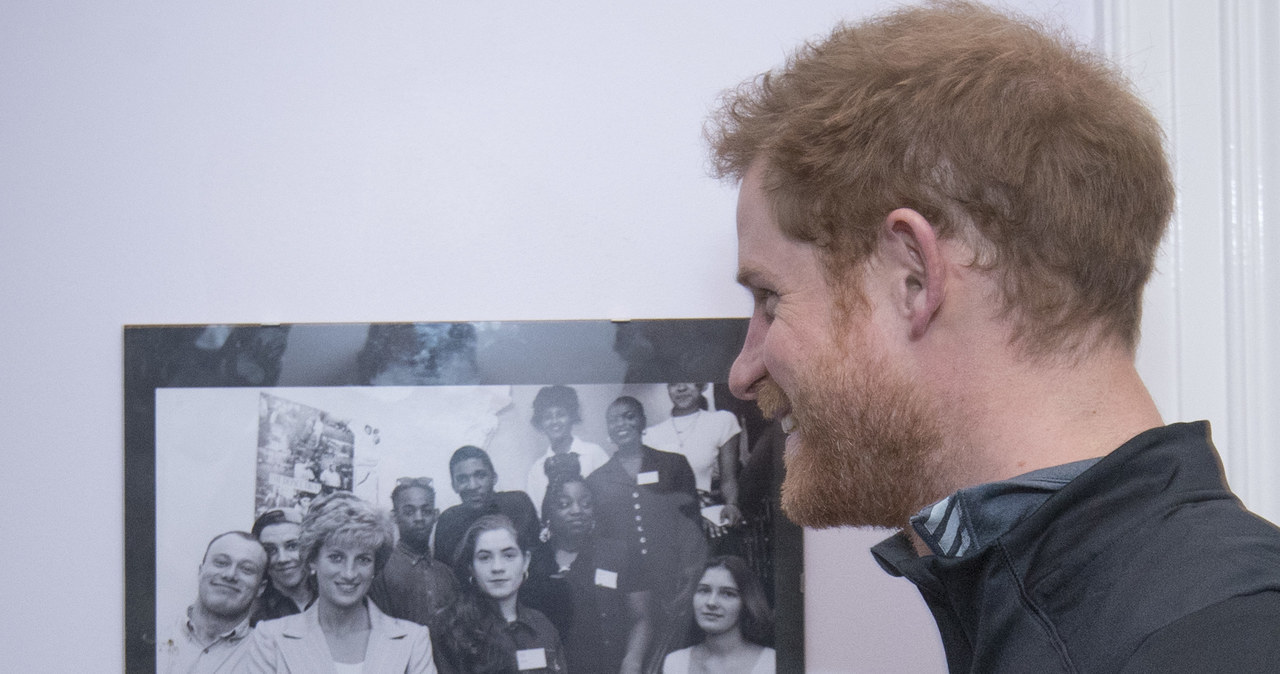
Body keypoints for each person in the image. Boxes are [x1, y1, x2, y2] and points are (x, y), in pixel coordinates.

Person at [708, 2, 1280, 671]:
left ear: (914, 278)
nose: (743, 373)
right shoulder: (1106, 611)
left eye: (772, 299)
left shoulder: (1221, 641)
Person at [246, 492, 435, 673]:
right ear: (312, 560)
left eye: (363, 559)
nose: (349, 573)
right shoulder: (270, 637)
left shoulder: (412, 639)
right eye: (336, 557)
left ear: (375, 567)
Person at [586, 397, 707, 628]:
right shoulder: (596, 480)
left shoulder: (673, 465)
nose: (620, 424)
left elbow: (692, 524)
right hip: (627, 587)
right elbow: (601, 540)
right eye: (613, 420)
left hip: (674, 576)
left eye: (628, 416)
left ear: (643, 421)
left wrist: (692, 574)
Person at [523, 468, 652, 674]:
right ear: (548, 512)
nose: (577, 511)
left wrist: (632, 662)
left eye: (586, 504)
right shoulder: (530, 562)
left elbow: (641, 618)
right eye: (564, 504)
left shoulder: (619, 553)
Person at [431, 515, 567, 674]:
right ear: (471, 567)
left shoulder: (543, 627)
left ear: (525, 561)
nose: (497, 567)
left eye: (508, 555)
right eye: (485, 558)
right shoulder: (452, 631)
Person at [156, 531, 267, 673]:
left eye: (246, 569)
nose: (230, 575)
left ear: (261, 588)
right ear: (200, 571)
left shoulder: (269, 655)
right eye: (221, 563)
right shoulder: (152, 635)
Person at [642, 383, 744, 536]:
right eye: (673, 382)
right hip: (669, 514)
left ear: (701, 385)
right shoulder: (650, 435)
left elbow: (728, 479)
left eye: (688, 380)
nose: (681, 388)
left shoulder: (722, 421)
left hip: (708, 511)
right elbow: (648, 487)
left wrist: (731, 504)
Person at [369, 477, 460, 625]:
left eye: (426, 511)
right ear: (394, 516)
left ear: (436, 515)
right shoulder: (382, 573)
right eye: (409, 512)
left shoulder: (447, 575)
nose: (419, 518)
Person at [662, 556, 775, 674]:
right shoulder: (676, 662)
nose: (711, 603)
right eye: (704, 590)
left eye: (727, 593)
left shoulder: (770, 662)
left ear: (746, 603)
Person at [433, 446, 540, 566]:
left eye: (480, 475)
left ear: (494, 478)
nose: (473, 486)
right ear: (454, 485)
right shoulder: (448, 521)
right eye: (463, 479)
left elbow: (539, 562)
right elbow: (444, 576)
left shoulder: (517, 505)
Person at [524, 385, 611, 516]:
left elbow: (610, 499)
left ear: (571, 417)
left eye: (560, 414)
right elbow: (538, 514)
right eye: (548, 417)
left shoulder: (594, 454)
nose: (554, 421)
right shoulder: (537, 470)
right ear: (541, 423)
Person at [250, 510, 315, 626]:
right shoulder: (252, 612)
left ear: (310, 547)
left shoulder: (331, 597)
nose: (282, 559)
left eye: (292, 546)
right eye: (270, 550)